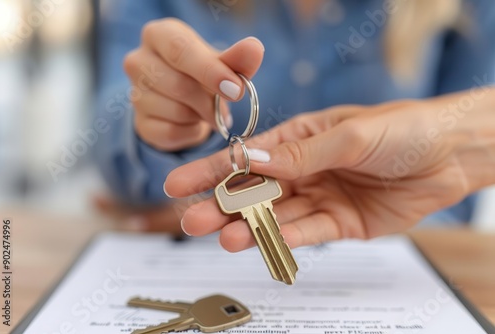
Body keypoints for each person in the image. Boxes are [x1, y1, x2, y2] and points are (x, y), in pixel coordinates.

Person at [96, 0, 495, 250]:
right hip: (197, 253)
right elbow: (105, 127)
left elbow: (457, 192)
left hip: (395, 260)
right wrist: (158, 124)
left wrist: (404, 204)